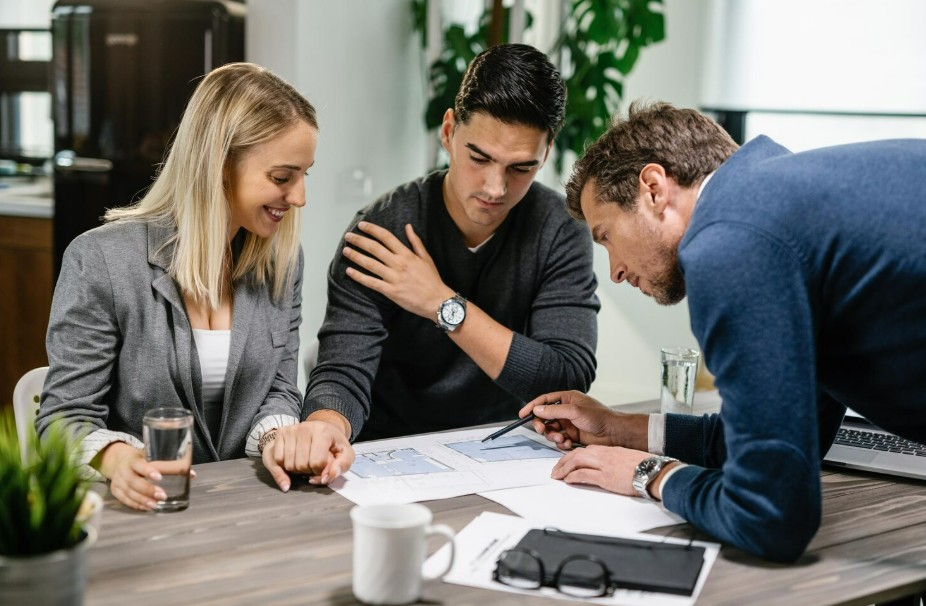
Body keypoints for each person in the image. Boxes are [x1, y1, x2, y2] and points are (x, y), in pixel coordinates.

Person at [522, 100, 926, 562]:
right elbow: (780, 447)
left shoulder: (731, 243)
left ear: (653, 188)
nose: (613, 271)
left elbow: (771, 515)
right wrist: (621, 429)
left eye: (606, 235)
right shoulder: (781, 206)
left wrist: (648, 474)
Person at [37, 62, 353, 511]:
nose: (300, 196)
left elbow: (280, 389)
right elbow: (64, 417)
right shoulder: (101, 261)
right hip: (140, 510)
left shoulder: (282, 262)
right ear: (219, 165)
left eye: (306, 174)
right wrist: (116, 458)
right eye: (283, 178)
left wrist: (280, 438)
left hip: (248, 505)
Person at [302, 43, 599, 442]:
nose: (496, 188)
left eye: (520, 168)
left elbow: (567, 376)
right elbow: (342, 370)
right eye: (479, 158)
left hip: (502, 445)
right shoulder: (383, 229)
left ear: (545, 155)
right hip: (387, 448)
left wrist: (441, 304)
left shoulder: (559, 228)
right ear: (448, 132)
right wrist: (324, 429)